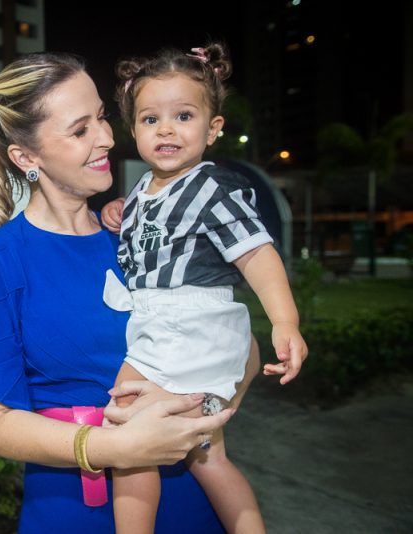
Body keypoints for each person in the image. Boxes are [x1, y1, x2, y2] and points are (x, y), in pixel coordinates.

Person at [0, 52, 259, 533]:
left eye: (101, 117)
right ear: (26, 158)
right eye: (80, 130)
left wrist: (212, 407)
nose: (107, 137)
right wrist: (113, 447)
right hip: (78, 509)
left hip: (191, 495)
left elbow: (240, 343)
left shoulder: (142, 234)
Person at [98, 44, 308, 533]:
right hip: (180, 329)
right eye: (151, 119)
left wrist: (285, 320)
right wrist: (119, 214)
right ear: (135, 131)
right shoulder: (145, 191)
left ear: (213, 128)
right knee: (208, 455)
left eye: (184, 115)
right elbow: (146, 237)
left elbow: (256, 253)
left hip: (185, 325)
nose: (166, 128)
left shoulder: (213, 188)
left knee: (127, 437)